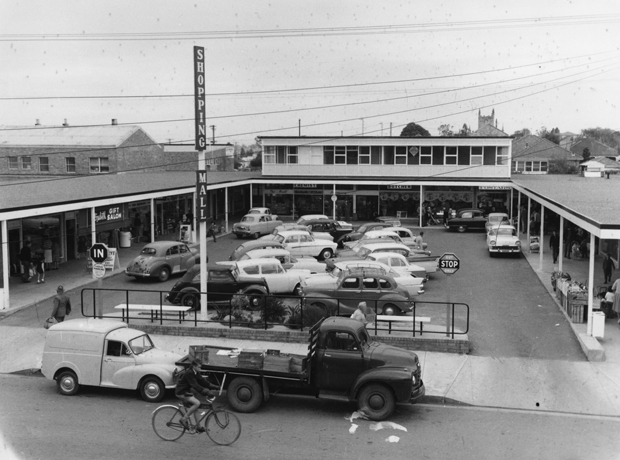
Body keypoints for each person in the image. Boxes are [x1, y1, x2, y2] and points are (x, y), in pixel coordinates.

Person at [175, 359, 218, 431]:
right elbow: (195, 385)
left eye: (200, 367)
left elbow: (202, 381)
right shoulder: (189, 372)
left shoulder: (195, 372)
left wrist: (214, 386)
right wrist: (206, 392)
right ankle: (183, 419)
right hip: (181, 392)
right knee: (197, 403)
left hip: (186, 391)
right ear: (194, 366)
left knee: (196, 407)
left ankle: (198, 427)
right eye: (199, 367)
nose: (200, 368)